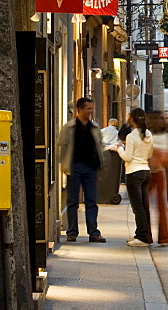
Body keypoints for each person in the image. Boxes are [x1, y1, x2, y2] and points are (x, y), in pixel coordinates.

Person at [56, 97, 106, 243]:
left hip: (90, 167)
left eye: (92, 108)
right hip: (74, 166)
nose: (91, 111)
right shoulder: (70, 127)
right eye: (88, 108)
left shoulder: (94, 127)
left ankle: (93, 232)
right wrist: (64, 165)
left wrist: (100, 163)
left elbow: (99, 145)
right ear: (80, 109)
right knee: (72, 201)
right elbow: (61, 146)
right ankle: (72, 232)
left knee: (91, 200)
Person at [116, 108, 154, 246]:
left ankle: (142, 237)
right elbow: (149, 155)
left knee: (137, 207)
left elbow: (128, 157)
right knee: (143, 206)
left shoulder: (131, 136)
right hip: (145, 171)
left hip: (134, 172)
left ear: (131, 120)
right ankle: (142, 234)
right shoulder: (148, 135)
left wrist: (119, 148)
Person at [146, 111, 168, 247]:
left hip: (153, 172)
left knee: (148, 205)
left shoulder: (147, 136)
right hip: (155, 172)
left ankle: (148, 235)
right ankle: (162, 237)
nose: (163, 121)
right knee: (158, 205)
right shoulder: (166, 137)